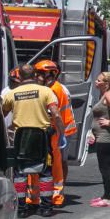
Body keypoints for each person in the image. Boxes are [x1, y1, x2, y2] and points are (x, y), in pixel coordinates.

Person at [2, 64, 63, 217]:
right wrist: (61, 134)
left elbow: (1, 114)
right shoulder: (46, 91)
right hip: (42, 138)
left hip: (20, 139)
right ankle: (46, 208)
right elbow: (56, 114)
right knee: (46, 173)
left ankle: (21, 209)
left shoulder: (12, 93)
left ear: (20, 77)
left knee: (20, 174)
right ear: (35, 75)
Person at [34, 60, 77, 208]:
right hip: (63, 129)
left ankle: (56, 193)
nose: (37, 77)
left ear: (48, 74)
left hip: (60, 131)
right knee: (58, 163)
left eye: (39, 74)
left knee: (56, 164)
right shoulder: (59, 87)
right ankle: (57, 192)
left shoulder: (53, 90)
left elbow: (54, 115)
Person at [89, 71, 110, 207]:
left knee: (105, 167)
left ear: (106, 84)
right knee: (104, 167)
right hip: (101, 136)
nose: (96, 82)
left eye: (98, 80)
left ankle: (108, 199)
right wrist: (92, 132)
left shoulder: (108, 94)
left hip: (106, 137)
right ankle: (105, 195)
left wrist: (109, 122)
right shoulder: (105, 94)